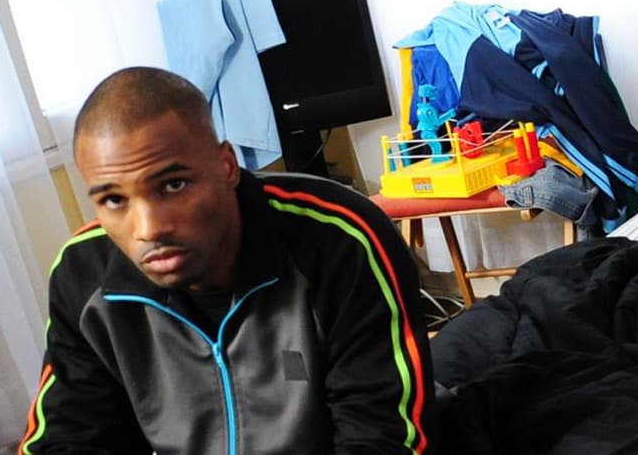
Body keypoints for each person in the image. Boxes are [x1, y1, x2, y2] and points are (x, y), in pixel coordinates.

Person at [23, 67, 432, 455]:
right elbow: (67, 436)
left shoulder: (341, 239)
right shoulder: (83, 273)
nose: (148, 228)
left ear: (227, 166)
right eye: (114, 200)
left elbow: (382, 435)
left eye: (174, 185)